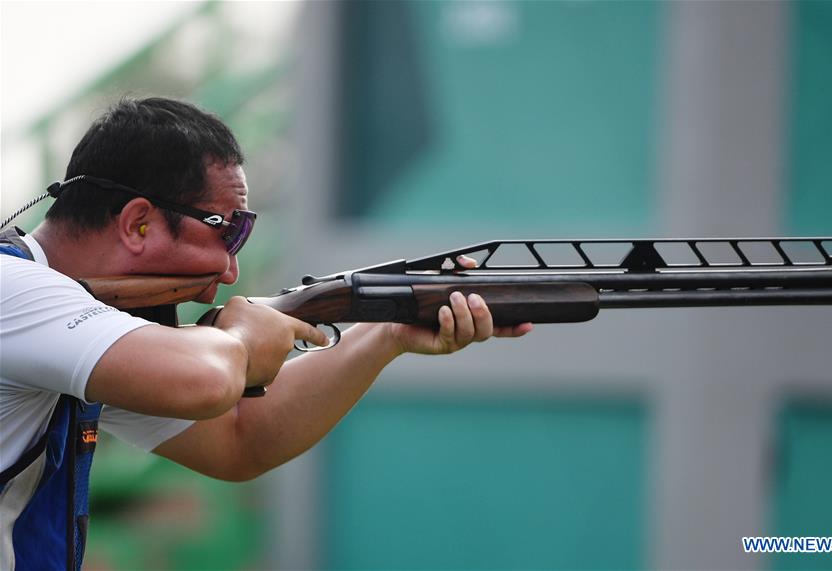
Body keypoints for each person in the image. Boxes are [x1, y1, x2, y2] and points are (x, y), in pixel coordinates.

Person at [0, 97, 532, 570]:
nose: (229, 272)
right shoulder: (14, 288)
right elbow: (206, 382)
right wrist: (241, 333)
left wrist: (388, 331)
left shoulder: (69, 319)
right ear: (139, 223)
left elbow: (240, 441)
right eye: (228, 230)